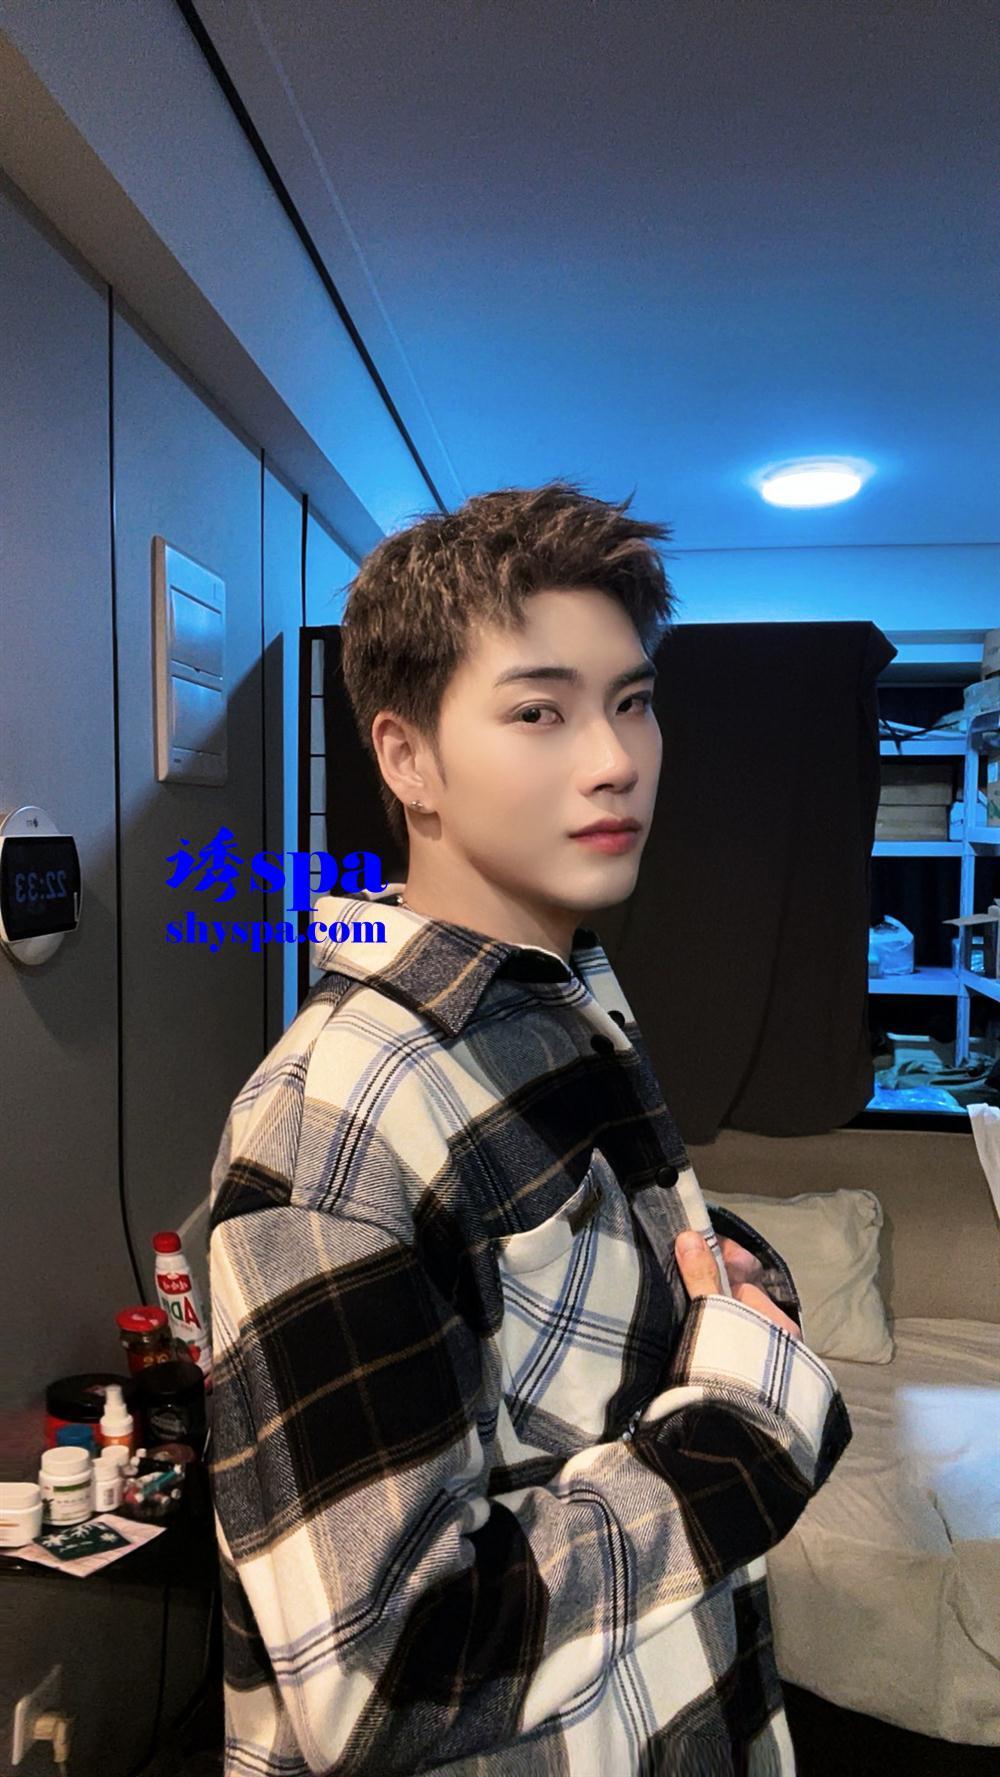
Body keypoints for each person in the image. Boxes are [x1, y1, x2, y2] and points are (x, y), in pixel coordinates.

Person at [207, 480, 852, 1775]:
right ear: (407, 760)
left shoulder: (563, 996)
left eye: (633, 701)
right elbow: (386, 1673)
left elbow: (561, 1316)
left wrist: (721, 1286)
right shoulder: (331, 1127)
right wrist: (746, 1429)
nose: (615, 758)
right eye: (540, 711)